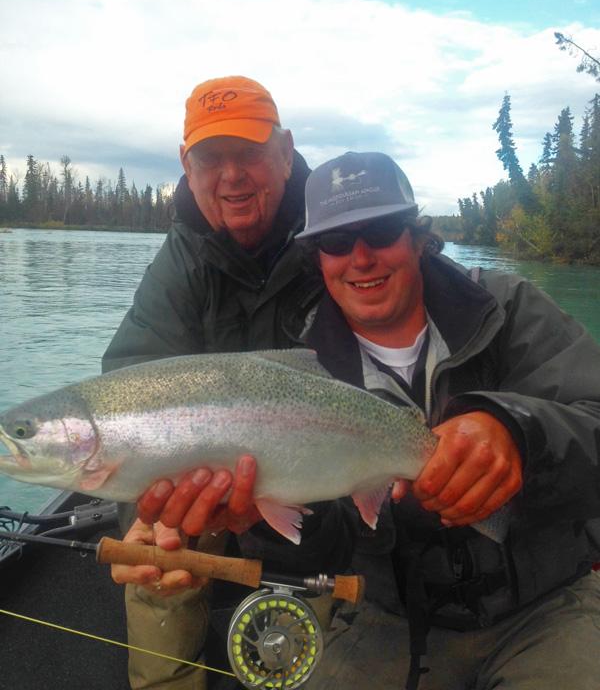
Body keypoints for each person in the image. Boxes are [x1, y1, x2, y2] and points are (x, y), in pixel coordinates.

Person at [144, 151, 600, 690]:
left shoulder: (505, 308)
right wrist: (255, 522)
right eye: (336, 242)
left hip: (548, 605)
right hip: (385, 618)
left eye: (380, 232)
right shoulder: (302, 370)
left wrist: (519, 432)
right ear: (318, 257)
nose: (359, 258)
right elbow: (325, 551)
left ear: (417, 237)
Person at [103, 75, 337, 690]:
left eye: (250, 153)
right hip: (202, 483)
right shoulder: (181, 258)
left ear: (285, 152)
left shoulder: (338, 242)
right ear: (187, 165)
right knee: (160, 560)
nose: (231, 176)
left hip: (320, 479)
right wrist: (146, 512)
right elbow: (127, 388)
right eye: (211, 158)